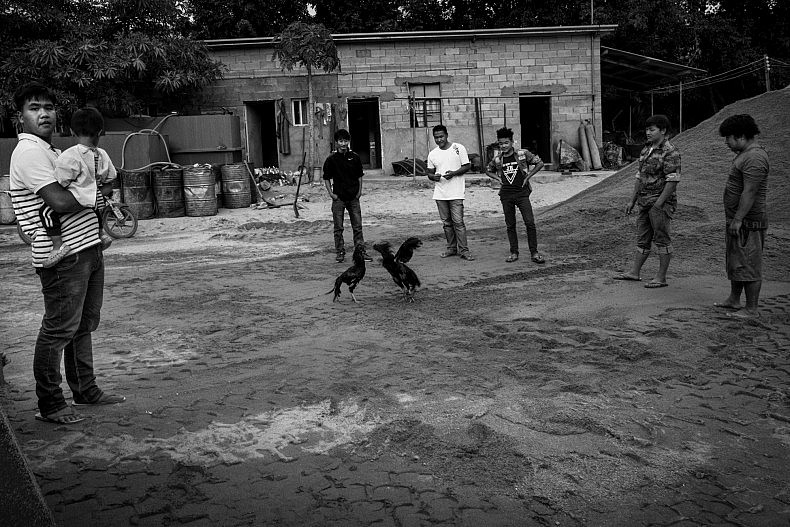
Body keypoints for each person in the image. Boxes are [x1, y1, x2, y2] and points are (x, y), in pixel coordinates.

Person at [9, 83, 124, 425]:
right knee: (59, 329)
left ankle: (85, 389)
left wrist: (97, 191)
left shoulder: (57, 151)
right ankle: (51, 403)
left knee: (83, 325)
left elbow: (86, 188)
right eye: (33, 107)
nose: (43, 113)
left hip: (85, 247)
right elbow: (59, 201)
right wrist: (98, 192)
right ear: (21, 116)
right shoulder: (30, 153)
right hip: (62, 257)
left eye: (48, 106)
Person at [41, 107, 116, 267]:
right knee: (96, 210)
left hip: (78, 196)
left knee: (45, 211)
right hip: (96, 196)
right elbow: (111, 176)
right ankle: (101, 234)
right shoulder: (102, 154)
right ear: (100, 131)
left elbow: (61, 179)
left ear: (72, 131)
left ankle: (57, 246)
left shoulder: (71, 155)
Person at [615, 114, 681, 288]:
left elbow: (673, 180)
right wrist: (632, 200)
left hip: (659, 203)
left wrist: (659, 204)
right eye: (647, 129)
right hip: (644, 201)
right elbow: (640, 176)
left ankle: (661, 277)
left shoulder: (670, 152)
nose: (648, 133)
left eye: (652, 129)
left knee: (662, 238)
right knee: (643, 238)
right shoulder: (646, 149)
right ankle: (635, 272)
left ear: (663, 131)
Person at [714, 114, 769, 319]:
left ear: (740, 136)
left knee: (749, 264)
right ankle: (734, 300)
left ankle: (751, 309)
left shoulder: (754, 157)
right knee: (737, 261)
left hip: (749, 222)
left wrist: (738, 219)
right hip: (739, 221)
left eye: (728, 138)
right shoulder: (745, 154)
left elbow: (750, 192)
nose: (726, 143)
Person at [486, 127, 546, 263]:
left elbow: (540, 163)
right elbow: (488, 170)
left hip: (522, 194)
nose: (503, 146)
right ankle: (514, 252)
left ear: (512, 142)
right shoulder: (497, 159)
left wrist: (528, 176)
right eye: (501, 143)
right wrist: (498, 179)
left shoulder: (522, 154)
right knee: (510, 225)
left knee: (530, 223)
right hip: (506, 195)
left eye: (506, 142)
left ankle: (534, 253)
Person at [323, 128, 371, 263]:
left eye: (345, 141)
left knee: (357, 226)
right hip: (339, 199)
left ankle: (360, 252)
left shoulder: (354, 157)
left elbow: (360, 176)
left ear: (349, 141)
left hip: (353, 198)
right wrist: (331, 194)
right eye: (341, 141)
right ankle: (340, 252)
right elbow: (326, 178)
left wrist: (359, 192)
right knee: (338, 228)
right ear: (337, 142)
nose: (343, 143)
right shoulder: (331, 159)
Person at [426, 124, 474, 260]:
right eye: (436, 137)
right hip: (440, 194)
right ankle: (452, 248)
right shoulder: (432, 154)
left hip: (457, 192)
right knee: (446, 223)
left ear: (447, 135)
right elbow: (429, 173)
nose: (439, 140)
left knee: (458, 222)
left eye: (441, 136)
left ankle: (464, 250)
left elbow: (467, 166)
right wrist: (433, 177)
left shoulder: (458, 148)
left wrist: (454, 173)